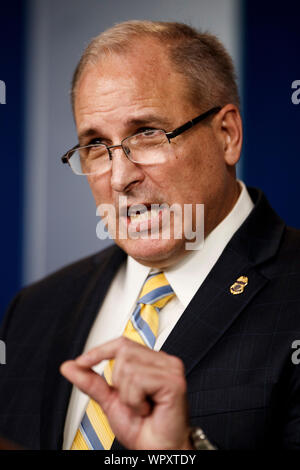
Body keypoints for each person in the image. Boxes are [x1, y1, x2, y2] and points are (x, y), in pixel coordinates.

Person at [1, 20, 300, 451]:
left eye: (146, 134)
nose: (120, 177)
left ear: (227, 135)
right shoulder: (34, 310)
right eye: (96, 146)